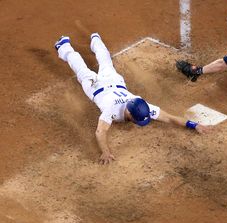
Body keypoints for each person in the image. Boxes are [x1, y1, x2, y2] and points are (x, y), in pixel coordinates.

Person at [54, 34, 211, 164]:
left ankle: (95, 39)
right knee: (82, 69)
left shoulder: (143, 106)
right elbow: (100, 132)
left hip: (115, 81)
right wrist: (106, 152)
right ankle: (63, 46)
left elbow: (169, 118)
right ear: (129, 112)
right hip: (95, 86)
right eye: (137, 119)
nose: (138, 122)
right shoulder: (111, 110)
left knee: (106, 61)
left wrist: (193, 125)